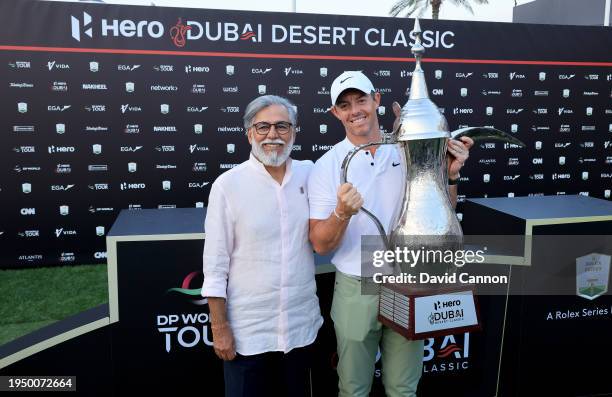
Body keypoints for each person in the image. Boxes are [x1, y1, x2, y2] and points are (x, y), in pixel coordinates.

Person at [307, 71, 473, 397]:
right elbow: (320, 244)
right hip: (357, 285)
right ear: (335, 113)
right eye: (344, 104)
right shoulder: (326, 166)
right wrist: (342, 213)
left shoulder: (406, 150)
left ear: (376, 100)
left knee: (403, 389)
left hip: (409, 280)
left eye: (361, 100)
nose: (355, 110)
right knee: (353, 389)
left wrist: (451, 177)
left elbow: (442, 213)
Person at [201, 95, 323, 397]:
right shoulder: (228, 185)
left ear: (294, 131)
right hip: (248, 335)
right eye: (263, 127)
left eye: (282, 126)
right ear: (249, 133)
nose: (273, 135)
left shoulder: (313, 174)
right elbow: (215, 266)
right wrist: (219, 329)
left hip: (300, 330)